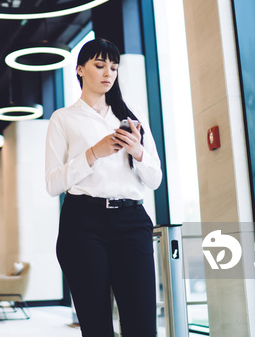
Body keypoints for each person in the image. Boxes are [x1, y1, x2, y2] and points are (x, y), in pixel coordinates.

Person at [45, 38, 162, 336]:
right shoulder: (63, 118)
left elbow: (155, 179)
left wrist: (137, 150)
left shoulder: (131, 113)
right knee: (96, 325)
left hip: (131, 220)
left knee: (142, 323)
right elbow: (53, 183)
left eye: (113, 67)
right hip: (83, 222)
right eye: (99, 66)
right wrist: (92, 153)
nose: (108, 73)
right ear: (81, 70)